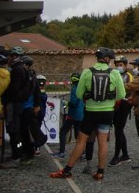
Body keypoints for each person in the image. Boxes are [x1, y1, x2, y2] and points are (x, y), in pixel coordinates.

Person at [49, 48, 125, 181]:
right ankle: (100, 172)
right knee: (103, 142)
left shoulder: (87, 72)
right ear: (107, 59)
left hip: (91, 112)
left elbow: (79, 94)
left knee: (81, 141)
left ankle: (67, 170)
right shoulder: (114, 73)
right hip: (107, 113)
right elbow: (122, 95)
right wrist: (110, 100)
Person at [0, 47, 29, 169]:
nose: (9, 59)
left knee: (13, 130)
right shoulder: (23, 69)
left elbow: (14, 88)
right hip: (19, 103)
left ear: (15, 57)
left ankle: (16, 157)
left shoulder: (16, 70)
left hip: (13, 104)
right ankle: (17, 155)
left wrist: (3, 97)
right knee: (16, 131)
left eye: (10, 56)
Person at [109, 56, 134, 166]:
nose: (118, 67)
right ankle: (125, 155)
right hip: (115, 105)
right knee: (119, 130)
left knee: (118, 130)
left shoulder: (129, 76)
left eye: (121, 65)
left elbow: (131, 90)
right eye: (117, 65)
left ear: (125, 65)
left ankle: (116, 156)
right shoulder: (114, 75)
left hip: (124, 105)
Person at [52, 72, 84, 159]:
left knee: (63, 132)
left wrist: (65, 103)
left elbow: (73, 103)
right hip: (81, 115)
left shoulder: (74, 89)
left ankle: (61, 152)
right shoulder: (82, 88)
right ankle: (82, 153)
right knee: (78, 135)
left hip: (73, 114)